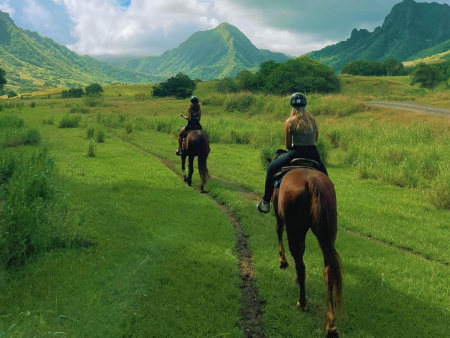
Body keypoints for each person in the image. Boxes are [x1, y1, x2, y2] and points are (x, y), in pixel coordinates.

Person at [257, 92, 328, 213]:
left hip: (295, 153)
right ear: (305, 105)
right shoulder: (313, 120)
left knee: (271, 169)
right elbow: (315, 140)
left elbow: (288, 145)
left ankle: (265, 202)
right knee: (326, 179)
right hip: (313, 154)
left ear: (292, 106)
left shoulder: (289, 122)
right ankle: (327, 206)